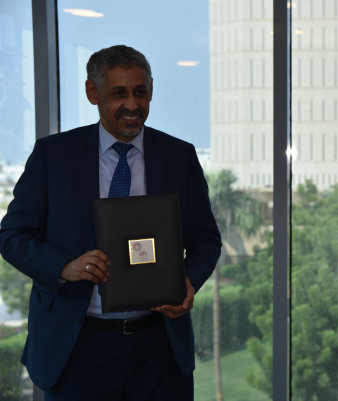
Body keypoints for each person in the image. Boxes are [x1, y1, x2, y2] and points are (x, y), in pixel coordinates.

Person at [0, 45, 222, 400]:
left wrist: (189, 282)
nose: (133, 105)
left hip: (160, 349)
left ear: (152, 89)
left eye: (140, 92)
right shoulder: (53, 156)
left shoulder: (179, 156)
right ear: (93, 92)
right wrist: (65, 267)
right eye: (119, 93)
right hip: (78, 349)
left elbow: (206, 240)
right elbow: (12, 235)